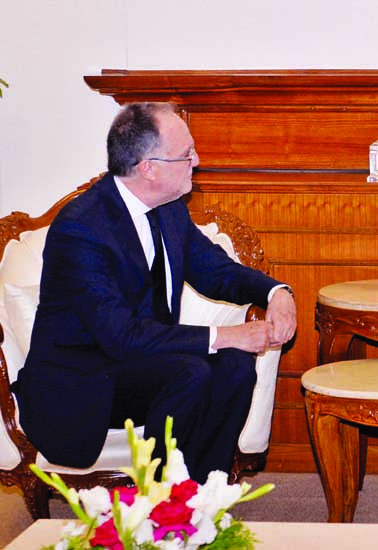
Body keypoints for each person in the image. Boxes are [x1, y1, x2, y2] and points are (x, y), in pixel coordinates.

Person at [13, 102, 297, 482]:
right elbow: (121, 337)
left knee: (235, 365)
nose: (197, 160)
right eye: (186, 154)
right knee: (191, 371)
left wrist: (276, 292)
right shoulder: (81, 229)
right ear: (149, 168)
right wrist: (228, 335)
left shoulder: (168, 208)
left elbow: (215, 271)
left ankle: (200, 495)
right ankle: (161, 502)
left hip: (144, 364)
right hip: (85, 381)